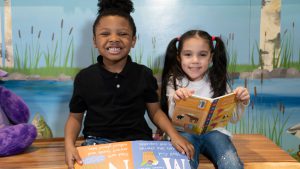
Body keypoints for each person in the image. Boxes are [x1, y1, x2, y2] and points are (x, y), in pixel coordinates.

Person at [64, 0, 194, 168]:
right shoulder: (84, 77)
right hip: (98, 144)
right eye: (105, 34)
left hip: (139, 143)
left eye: (122, 34)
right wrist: (68, 145)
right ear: (94, 41)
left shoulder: (144, 74)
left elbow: (155, 112)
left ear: (133, 40)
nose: (114, 39)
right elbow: (75, 118)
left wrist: (174, 135)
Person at [160, 30, 250, 169]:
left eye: (202, 55)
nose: (195, 60)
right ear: (179, 57)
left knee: (231, 162)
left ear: (211, 57)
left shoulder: (218, 80)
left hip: (215, 132)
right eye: (188, 54)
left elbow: (232, 118)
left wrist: (240, 101)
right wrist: (176, 100)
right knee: (183, 163)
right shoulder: (174, 81)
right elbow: (172, 116)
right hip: (183, 132)